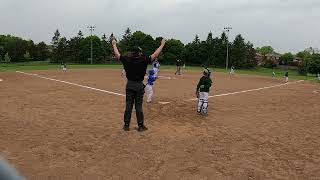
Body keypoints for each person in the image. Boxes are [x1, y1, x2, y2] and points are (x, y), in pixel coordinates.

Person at [112, 38, 166, 132]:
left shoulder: (127, 59)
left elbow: (117, 55)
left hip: (129, 85)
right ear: (139, 53)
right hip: (139, 86)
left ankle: (126, 125)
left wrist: (114, 44)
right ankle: (140, 126)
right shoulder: (143, 60)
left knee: (128, 106)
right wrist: (162, 45)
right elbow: (155, 55)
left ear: (132, 52)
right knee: (138, 106)